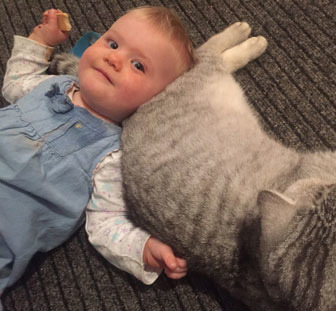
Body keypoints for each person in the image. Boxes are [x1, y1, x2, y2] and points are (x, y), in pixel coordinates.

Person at [0, 6, 194, 305]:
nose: (113, 58)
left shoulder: (112, 157)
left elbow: (106, 222)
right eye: (112, 43)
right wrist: (40, 42)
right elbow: (15, 83)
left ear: (156, 103)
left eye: (138, 65)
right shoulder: (52, 85)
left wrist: (143, 247)